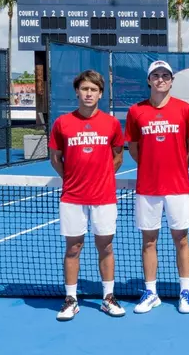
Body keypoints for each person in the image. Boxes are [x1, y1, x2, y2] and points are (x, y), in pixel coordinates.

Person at [49, 70, 125, 321]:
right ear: (77, 92)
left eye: (93, 89)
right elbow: (55, 158)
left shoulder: (112, 123)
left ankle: (108, 297)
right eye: (84, 89)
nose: (88, 93)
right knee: (73, 248)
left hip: (104, 197)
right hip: (72, 197)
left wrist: (102, 176)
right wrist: (70, 178)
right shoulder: (62, 123)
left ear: (100, 94)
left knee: (106, 246)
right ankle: (71, 299)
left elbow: (118, 156)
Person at [125, 60, 189, 314]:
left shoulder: (184, 110)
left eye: (165, 75)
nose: (160, 79)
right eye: (155, 75)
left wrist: (176, 167)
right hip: (148, 187)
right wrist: (149, 166)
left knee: (182, 239)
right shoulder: (136, 111)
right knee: (149, 241)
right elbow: (134, 147)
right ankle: (151, 292)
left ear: (171, 80)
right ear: (149, 80)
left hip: (178, 187)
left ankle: (185, 292)